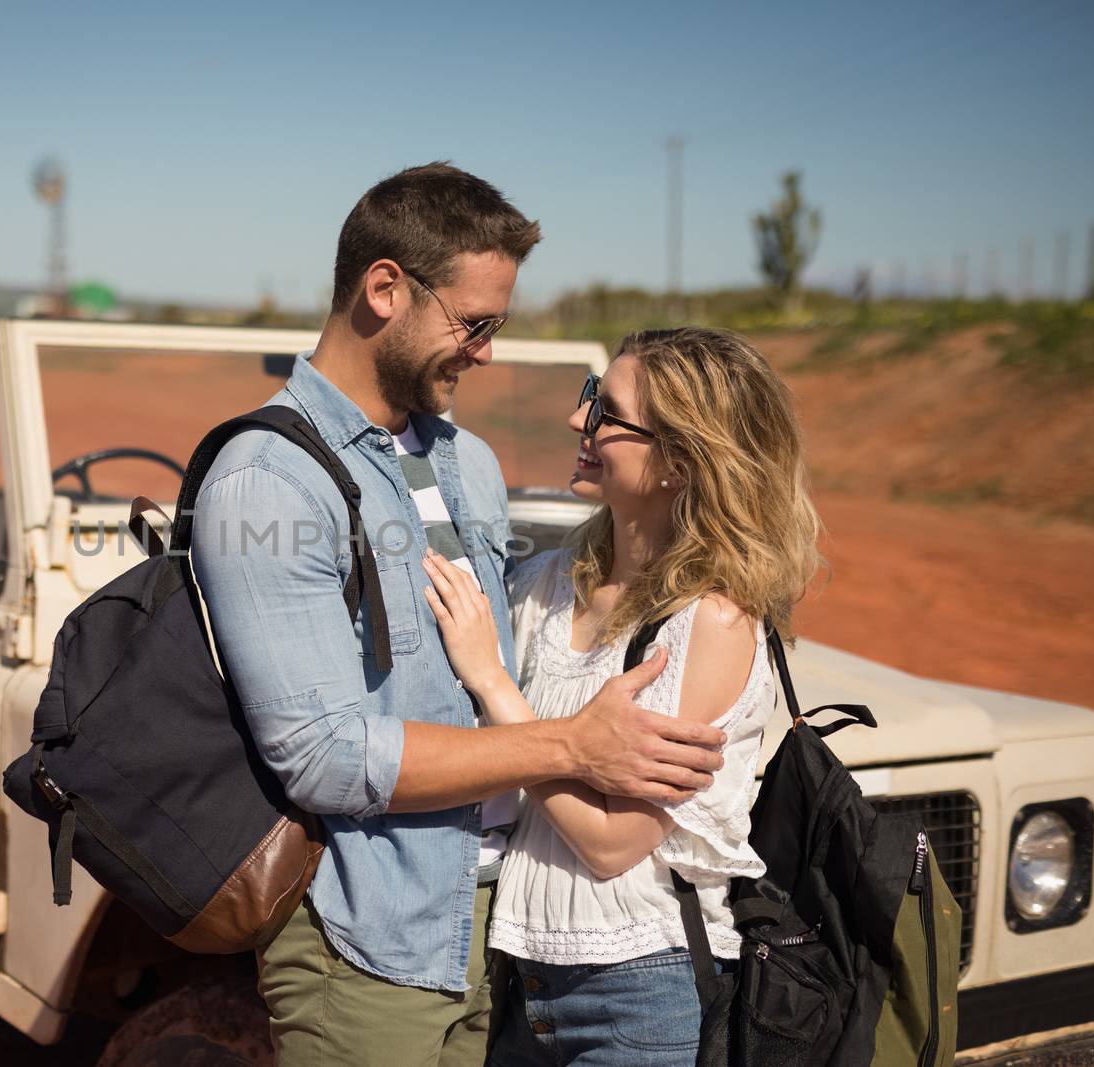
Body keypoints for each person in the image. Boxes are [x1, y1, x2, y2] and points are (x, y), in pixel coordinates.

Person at [190, 166, 727, 1065]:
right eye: (473, 325)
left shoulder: (468, 461)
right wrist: (569, 746)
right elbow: (325, 754)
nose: (485, 353)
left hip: (498, 933)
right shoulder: (265, 481)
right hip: (367, 939)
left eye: (498, 329)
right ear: (385, 288)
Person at [420, 326, 824, 1066]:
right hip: (519, 978)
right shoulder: (548, 579)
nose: (579, 421)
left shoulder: (714, 621)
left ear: (678, 460)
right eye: (587, 398)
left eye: (605, 410)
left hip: (643, 993)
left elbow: (612, 843)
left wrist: (494, 682)